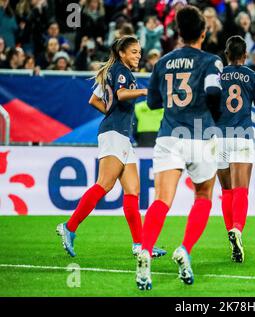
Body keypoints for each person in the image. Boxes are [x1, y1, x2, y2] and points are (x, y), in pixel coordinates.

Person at [136, 5, 223, 290]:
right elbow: (212, 91)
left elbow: (152, 103)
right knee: (203, 195)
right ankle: (184, 249)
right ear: (204, 31)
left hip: (169, 136)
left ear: (178, 33)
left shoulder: (162, 62)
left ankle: (146, 251)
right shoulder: (211, 61)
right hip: (200, 136)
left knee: (161, 200)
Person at [56, 36, 166, 259]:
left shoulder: (112, 71)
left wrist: (110, 112)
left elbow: (93, 100)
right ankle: (69, 227)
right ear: (123, 53)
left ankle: (139, 245)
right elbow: (122, 95)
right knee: (104, 184)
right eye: (134, 51)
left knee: (132, 191)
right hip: (115, 133)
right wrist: (145, 92)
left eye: (139, 51)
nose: (138, 55)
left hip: (121, 135)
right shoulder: (122, 71)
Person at [216, 35, 255, 263]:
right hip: (241, 137)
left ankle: (230, 238)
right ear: (244, 55)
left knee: (227, 191)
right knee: (241, 189)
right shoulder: (252, 77)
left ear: (226, 54)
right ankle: (237, 230)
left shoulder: (216, 76)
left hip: (217, 137)